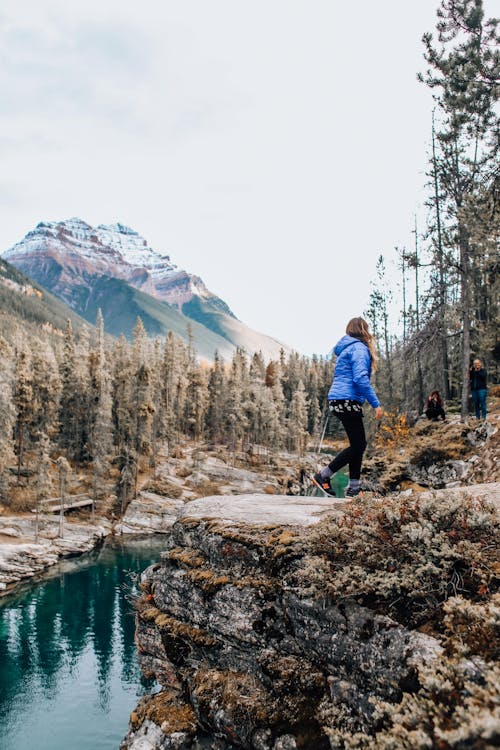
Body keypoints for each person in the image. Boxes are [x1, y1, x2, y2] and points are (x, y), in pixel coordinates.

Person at [312, 317, 382, 498]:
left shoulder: (347, 348)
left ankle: (354, 488)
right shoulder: (359, 348)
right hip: (347, 400)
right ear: (363, 330)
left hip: (339, 400)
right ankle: (323, 475)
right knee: (359, 445)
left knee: (357, 445)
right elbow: (360, 378)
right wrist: (375, 404)